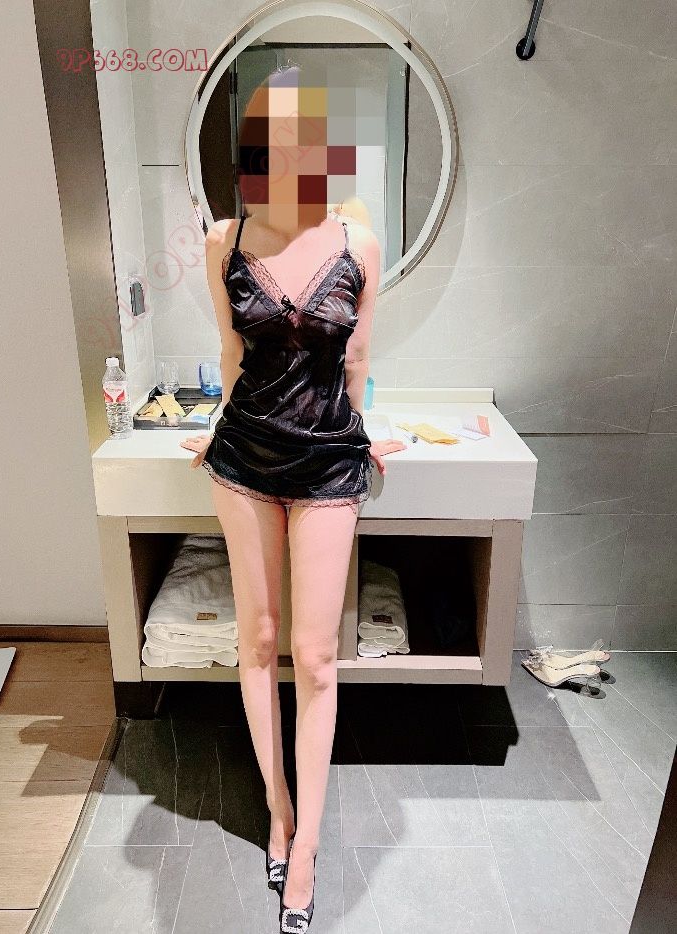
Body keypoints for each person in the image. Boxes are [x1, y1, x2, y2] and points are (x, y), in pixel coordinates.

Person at [180, 64, 405, 932]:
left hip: (328, 463)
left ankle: (306, 844)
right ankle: (277, 809)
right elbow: (234, 357)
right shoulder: (224, 241)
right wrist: (214, 428)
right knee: (259, 640)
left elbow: (356, 360)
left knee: (314, 657)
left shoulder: (359, 243)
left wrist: (364, 431)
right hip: (244, 455)